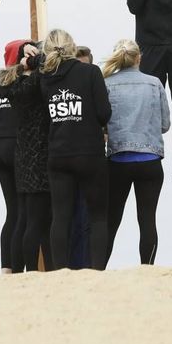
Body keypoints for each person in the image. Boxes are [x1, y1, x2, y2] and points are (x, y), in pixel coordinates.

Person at [26, 29, 112, 270]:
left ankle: (60, 270)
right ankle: (97, 269)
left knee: (61, 216)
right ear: (72, 47)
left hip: (59, 153)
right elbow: (105, 112)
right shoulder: (90, 71)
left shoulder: (45, 76)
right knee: (97, 216)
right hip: (89, 151)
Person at [103, 39, 171, 265]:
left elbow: (103, 121)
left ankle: (99, 267)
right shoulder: (154, 83)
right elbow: (165, 125)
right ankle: (147, 267)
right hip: (149, 159)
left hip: (118, 158)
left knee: (111, 220)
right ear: (138, 58)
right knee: (147, 219)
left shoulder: (107, 84)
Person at [6, 42, 52, 272]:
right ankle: (33, 270)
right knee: (37, 222)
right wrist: (37, 60)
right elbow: (47, 66)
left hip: (24, 154)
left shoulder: (12, 83)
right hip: (39, 156)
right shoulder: (31, 81)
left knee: (27, 219)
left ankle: (21, 270)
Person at [0, 40, 28, 273]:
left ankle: (6, 266)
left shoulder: (2, 83)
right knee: (24, 211)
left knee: (12, 210)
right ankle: (16, 267)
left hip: (0, 146)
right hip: (19, 145)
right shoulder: (25, 81)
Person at [70, 45, 95, 270]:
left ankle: (86, 265)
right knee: (69, 216)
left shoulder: (96, 84)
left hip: (90, 155)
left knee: (88, 217)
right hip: (66, 156)